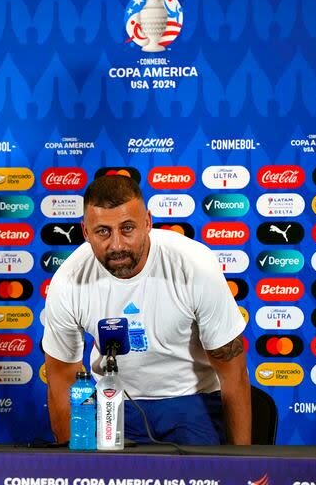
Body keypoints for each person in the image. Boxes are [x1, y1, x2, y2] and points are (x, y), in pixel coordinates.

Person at [42, 175, 251, 445]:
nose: (116, 245)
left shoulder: (195, 266)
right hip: (112, 402)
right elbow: (61, 378)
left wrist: (243, 465)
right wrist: (76, 466)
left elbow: (233, 373)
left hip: (190, 400)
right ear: (85, 232)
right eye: (103, 231)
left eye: (127, 228)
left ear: (148, 222)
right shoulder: (69, 279)